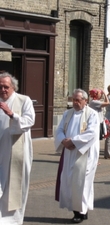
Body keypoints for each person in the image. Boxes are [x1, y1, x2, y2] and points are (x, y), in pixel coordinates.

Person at [54, 89, 100, 223]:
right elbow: (59, 129)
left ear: (85, 101)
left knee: (82, 182)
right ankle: (79, 210)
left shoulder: (92, 114)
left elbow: (92, 133)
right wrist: (63, 140)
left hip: (85, 153)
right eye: (73, 99)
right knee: (69, 181)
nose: (75, 102)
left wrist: (73, 141)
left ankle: (80, 212)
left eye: (78, 100)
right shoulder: (67, 113)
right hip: (69, 152)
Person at [0, 72, 35, 224]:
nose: (3, 90)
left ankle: (12, 221)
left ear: (13, 87)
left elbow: (29, 121)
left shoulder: (24, 100)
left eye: (6, 87)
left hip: (16, 151)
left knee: (14, 187)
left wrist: (11, 114)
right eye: (0, 87)